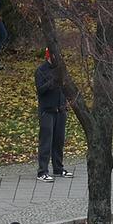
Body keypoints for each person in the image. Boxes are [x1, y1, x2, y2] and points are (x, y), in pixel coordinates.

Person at [34, 52, 70, 182]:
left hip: (60, 110)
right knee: (46, 142)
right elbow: (40, 90)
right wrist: (52, 81)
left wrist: (66, 101)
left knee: (59, 141)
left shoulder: (61, 69)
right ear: (49, 56)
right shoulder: (41, 71)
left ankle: (58, 168)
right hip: (47, 111)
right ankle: (42, 171)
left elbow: (66, 87)